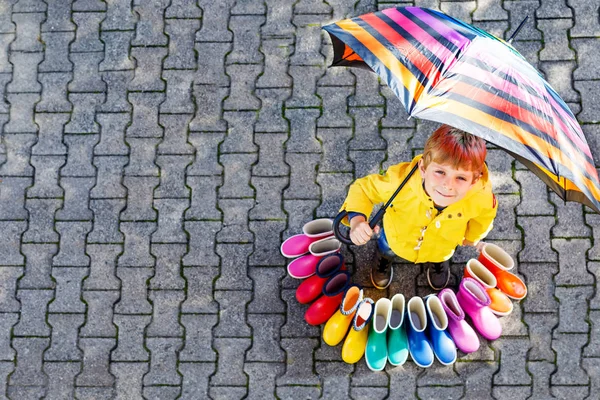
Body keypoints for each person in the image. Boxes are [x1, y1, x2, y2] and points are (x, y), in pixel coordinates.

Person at [340, 125, 497, 290]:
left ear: (474, 181)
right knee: (387, 247)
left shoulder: (482, 198)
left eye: (461, 178)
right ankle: (384, 257)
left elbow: (484, 217)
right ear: (423, 168)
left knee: (439, 254)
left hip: (442, 245)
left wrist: (472, 236)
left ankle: (437, 262)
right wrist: (357, 220)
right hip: (397, 236)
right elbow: (364, 189)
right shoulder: (399, 182)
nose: (448, 186)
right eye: (440, 172)